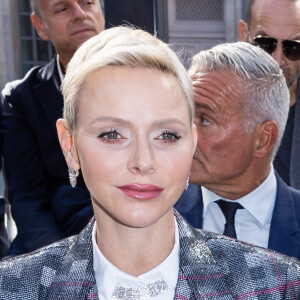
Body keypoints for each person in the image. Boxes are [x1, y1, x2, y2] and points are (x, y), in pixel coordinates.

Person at [0, 26, 299, 300]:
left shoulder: (280, 285)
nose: (143, 162)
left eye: (167, 135)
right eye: (113, 134)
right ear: (70, 146)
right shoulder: (13, 288)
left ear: (191, 142)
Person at [175, 41, 300, 260]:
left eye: (204, 120)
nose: (185, 133)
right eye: (184, 116)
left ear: (263, 139)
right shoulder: (154, 214)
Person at [1, 0, 104, 255]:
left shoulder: (146, 79)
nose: (80, 14)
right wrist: (63, 265)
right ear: (40, 26)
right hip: (56, 238)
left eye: (88, 3)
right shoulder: (20, 99)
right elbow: (28, 198)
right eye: (63, 9)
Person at [238, 0, 300, 189]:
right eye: (265, 43)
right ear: (244, 35)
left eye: (293, 47)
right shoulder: (211, 107)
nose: (277, 60)